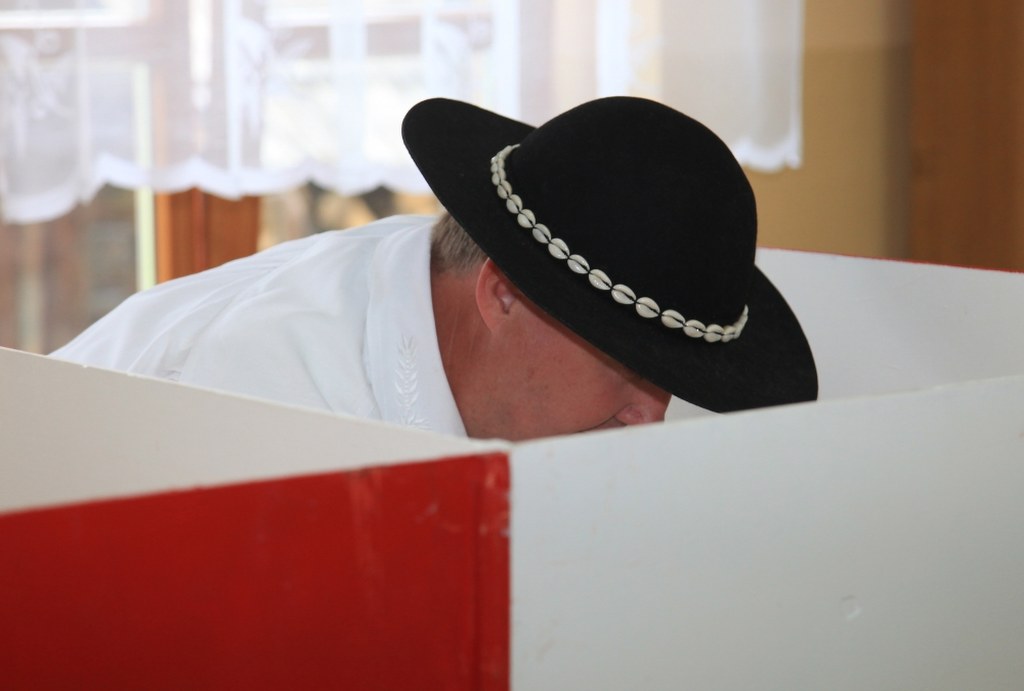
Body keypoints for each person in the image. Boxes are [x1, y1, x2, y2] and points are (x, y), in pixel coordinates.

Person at [51, 97, 818, 440]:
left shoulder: (464, 346)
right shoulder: (248, 415)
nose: (652, 414)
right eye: (630, 364)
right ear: (503, 294)